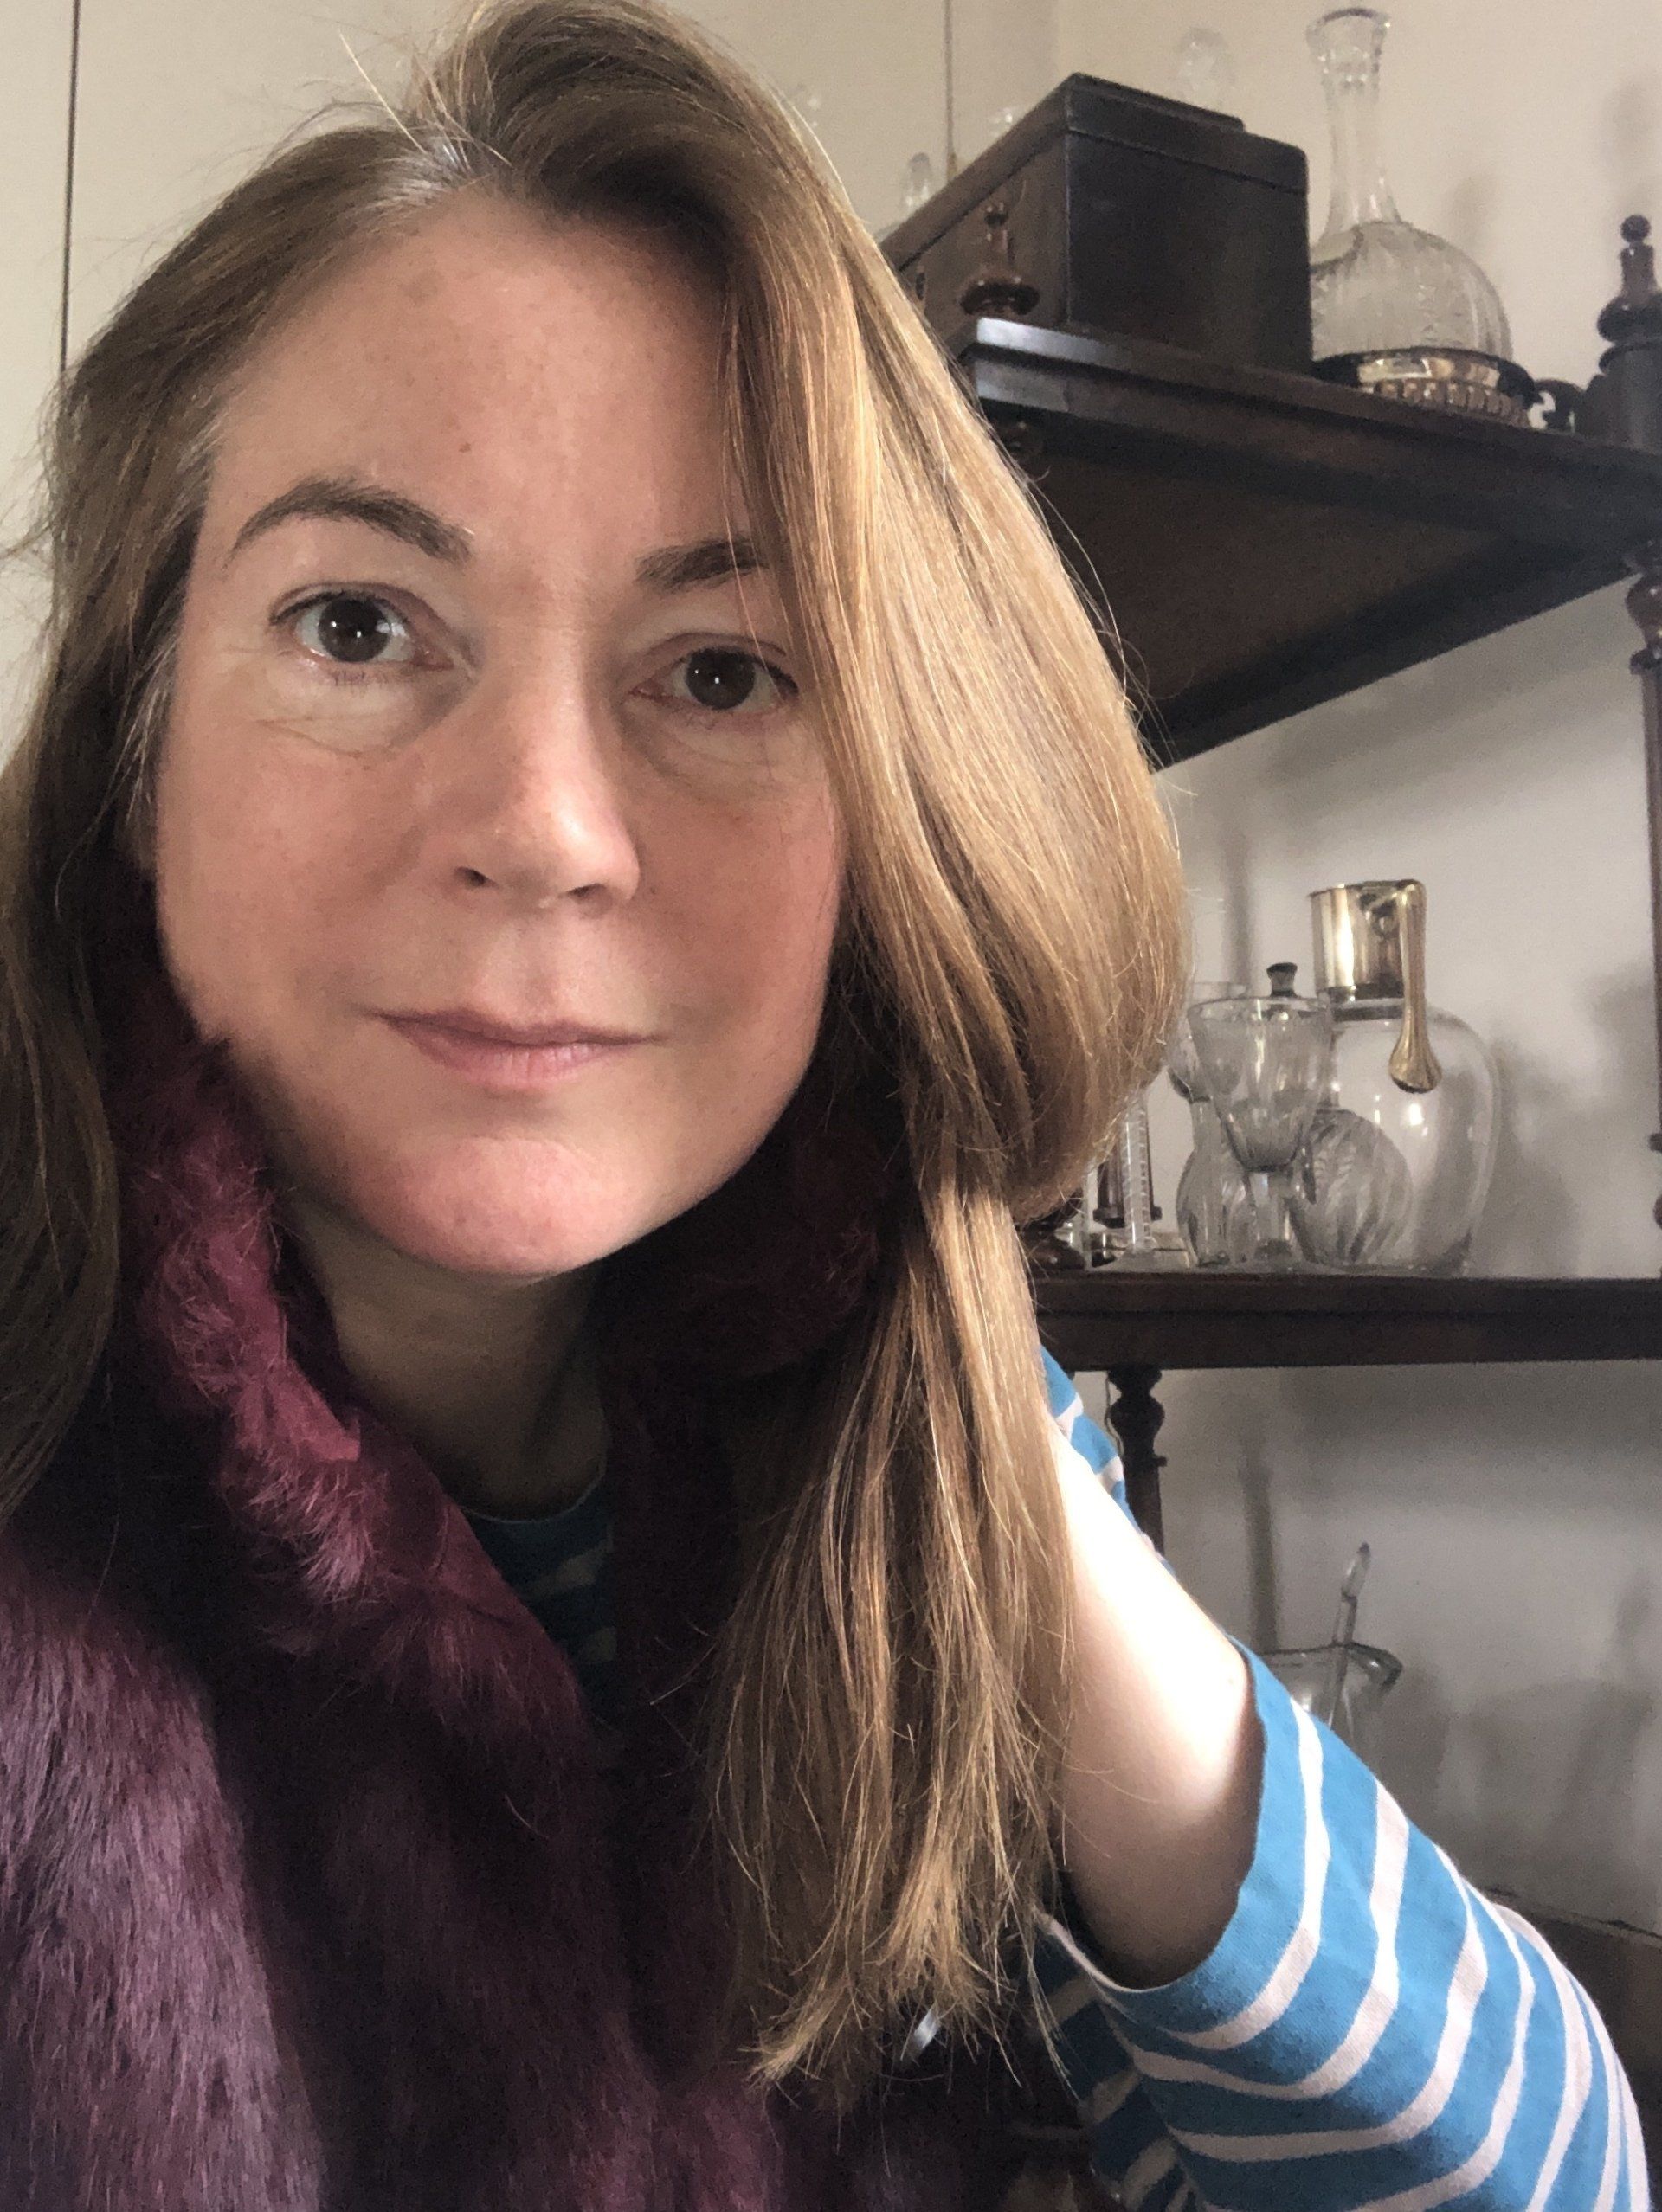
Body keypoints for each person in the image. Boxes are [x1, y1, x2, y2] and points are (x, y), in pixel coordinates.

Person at [0, 2, 1645, 2206]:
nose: (546, 827)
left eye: (722, 670)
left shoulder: (893, 1407)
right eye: (361, 626)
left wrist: (957, 1442)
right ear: (136, 739)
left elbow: (1545, 2177)